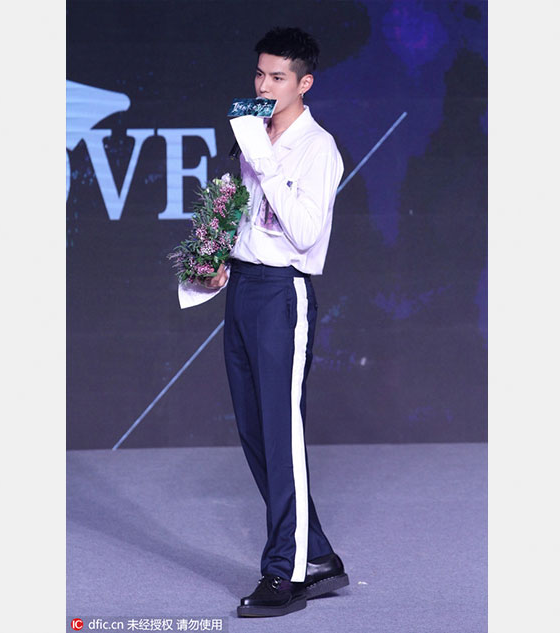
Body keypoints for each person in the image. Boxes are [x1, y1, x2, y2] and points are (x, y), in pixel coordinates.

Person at [206, 26, 349, 617]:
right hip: (242, 288)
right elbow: (247, 214)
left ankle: (283, 574)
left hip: (281, 295)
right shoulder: (255, 133)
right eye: (260, 74)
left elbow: (305, 232)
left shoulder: (319, 147)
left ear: (304, 83)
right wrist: (215, 254)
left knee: (281, 433)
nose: (264, 86)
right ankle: (318, 556)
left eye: (278, 77)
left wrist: (264, 161)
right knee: (254, 432)